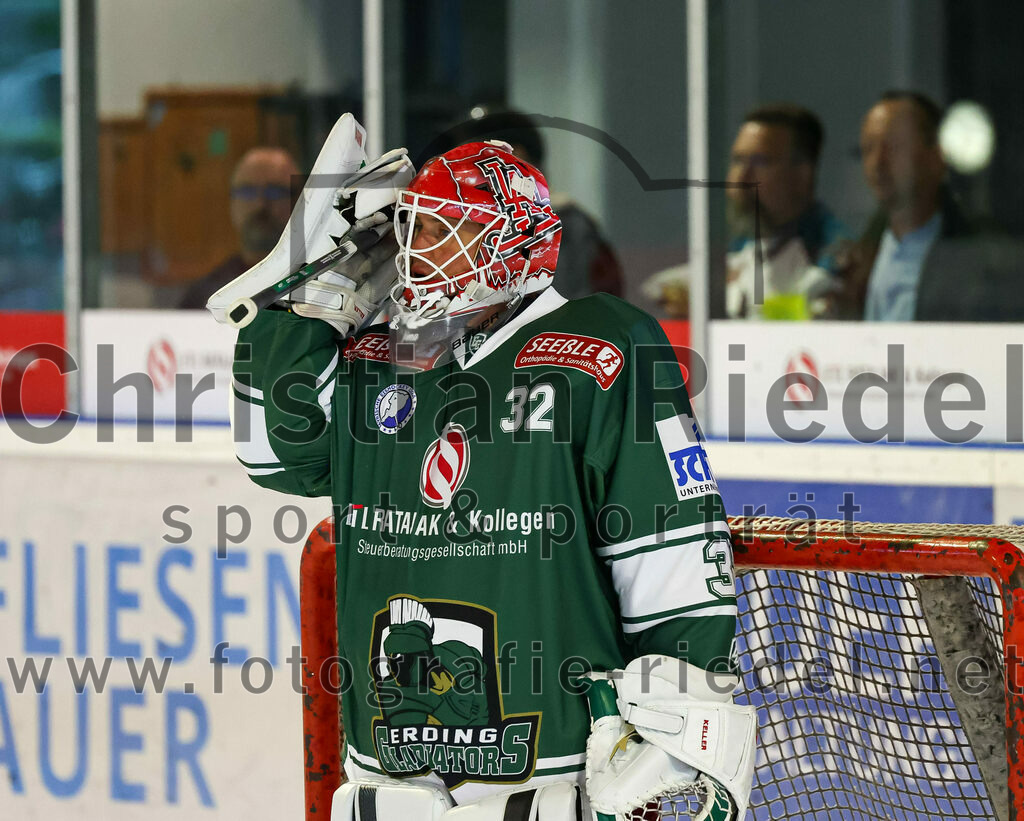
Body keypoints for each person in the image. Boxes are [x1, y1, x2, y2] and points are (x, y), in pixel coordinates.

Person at [228, 130, 755, 818]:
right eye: (415, 229)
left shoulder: (601, 346)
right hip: (390, 781)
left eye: (453, 231)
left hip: (548, 775)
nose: (421, 253)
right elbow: (272, 452)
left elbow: (671, 544)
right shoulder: (369, 357)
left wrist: (674, 719)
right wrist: (316, 301)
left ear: (519, 246)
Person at [645, 103, 849, 320]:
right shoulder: (748, 243)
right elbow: (656, 287)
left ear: (802, 175)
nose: (740, 179)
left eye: (760, 162)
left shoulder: (834, 255)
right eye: (737, 161)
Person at [846, 90, 1023, 321]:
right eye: (868, 148)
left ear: (938, 155)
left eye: (895, 147)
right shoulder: (861, 256)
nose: (878, 162)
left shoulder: (982, 258)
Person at [430, 108, 625, 301]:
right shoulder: (477, 224)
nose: (462, 172)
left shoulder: (563, 224)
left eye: (475, 158)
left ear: (516, 156)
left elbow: (568, 313)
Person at [178, 147, 300, 309]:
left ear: (300, 201)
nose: (260, 204)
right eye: (247, 192)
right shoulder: (206, 297)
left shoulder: (320, 286)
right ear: (231, 204)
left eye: (275, 192)